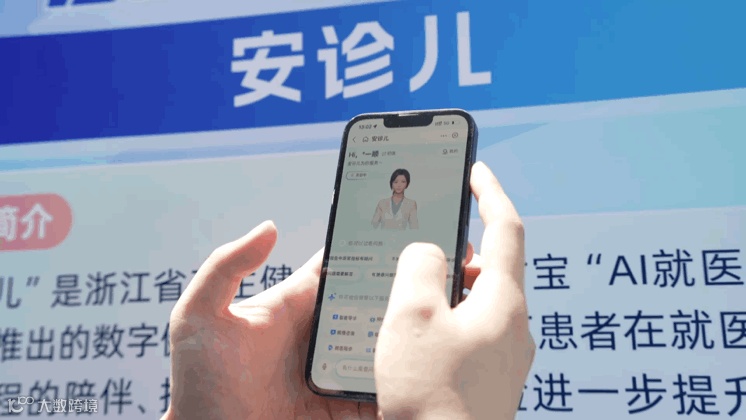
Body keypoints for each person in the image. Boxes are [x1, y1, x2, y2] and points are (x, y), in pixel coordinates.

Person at [161, 162, 535, 419]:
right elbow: (375, 221)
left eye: (403, 182)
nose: (399, 186)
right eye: (396, 181)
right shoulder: (381, 204)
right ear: (391, 184)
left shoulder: (412, 206)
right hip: (374, 258)